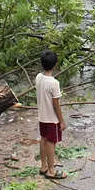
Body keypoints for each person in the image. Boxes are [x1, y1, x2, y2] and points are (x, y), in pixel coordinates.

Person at [36, 49, 66, 179]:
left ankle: (44, 166)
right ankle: (51, 170)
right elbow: (56, 104)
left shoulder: (38, 77)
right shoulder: (54, 83)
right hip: (51, 118)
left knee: (43, 139)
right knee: (51, 142)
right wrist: (61, 121)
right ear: (55, 65)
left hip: (42, 116)